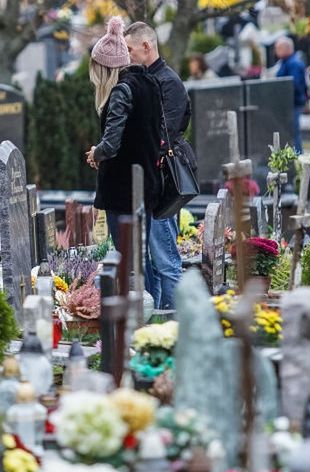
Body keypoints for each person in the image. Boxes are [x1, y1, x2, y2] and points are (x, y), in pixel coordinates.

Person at [124, 21, 190, 310]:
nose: (127, 55)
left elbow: (166, 134)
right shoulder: (146, 80)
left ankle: (174, 324)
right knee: (153, 263)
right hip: (149, 180)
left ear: (146, 46)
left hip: (161, 182)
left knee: (166, 261)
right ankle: (159, 319)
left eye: (130, 49)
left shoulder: (168, 82)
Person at [85, 16, 163, 264]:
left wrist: (96, 153)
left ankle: (138, 294)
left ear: (105, 68)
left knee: (128, 263)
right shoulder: (149, 82)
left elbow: (111, 144)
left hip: (122, 191)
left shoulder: (120, 91)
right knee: (140, 260)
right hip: (146, 184)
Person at [274, 36, 307, 153]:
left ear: (287, 48)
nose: (276, 51)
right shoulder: (285, 62)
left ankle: (297, 155)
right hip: (288, 104)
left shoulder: (294, 63)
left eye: (278, 48)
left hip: (293, 103)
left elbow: (294, 84)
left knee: (293, 132)